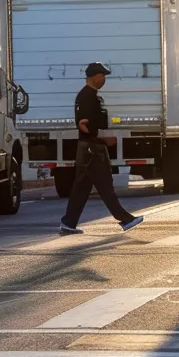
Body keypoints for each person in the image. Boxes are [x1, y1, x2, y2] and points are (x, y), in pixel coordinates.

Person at [60, 62, 144, 235]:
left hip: (88, 148)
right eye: (102, 75)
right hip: (93, 149)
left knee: (81, 188)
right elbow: (84, 125)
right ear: (94, 76)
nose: (104, 79)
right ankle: (125, 219)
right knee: (105, 186)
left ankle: (68, 222)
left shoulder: (87, 95)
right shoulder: (88, 97)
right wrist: (104, 138)